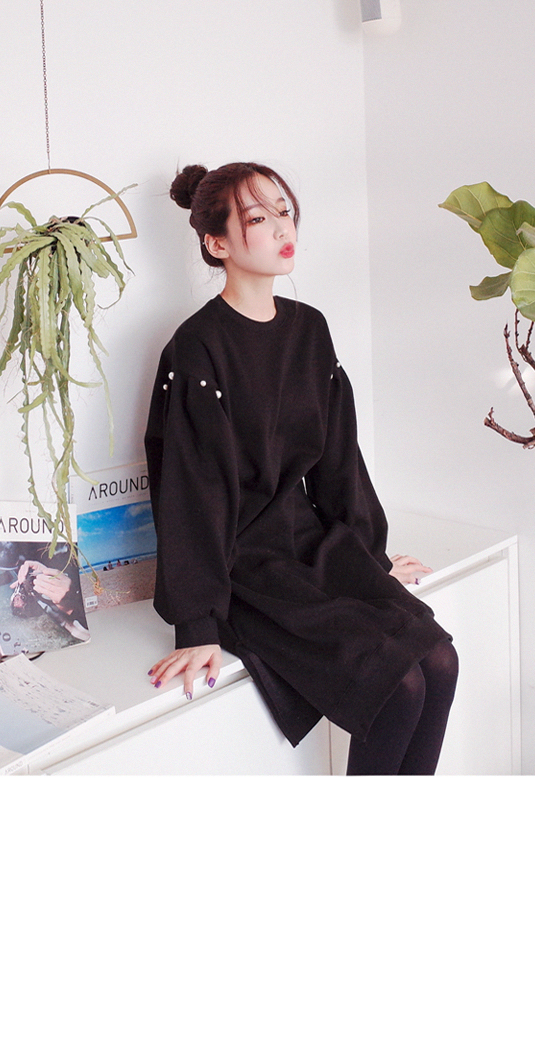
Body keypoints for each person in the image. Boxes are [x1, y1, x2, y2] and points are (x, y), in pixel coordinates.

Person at [144, 162, 458, 775]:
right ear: (217, 244)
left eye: (284, 212)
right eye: (258, 218)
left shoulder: (310, 328)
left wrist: (370, 556)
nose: (282, 228)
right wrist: (198, 623)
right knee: (400, 687)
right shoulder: (196, 347)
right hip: (244, 564)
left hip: (313, 543)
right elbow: (190, 489)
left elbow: (340, 457)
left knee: (440, 662)